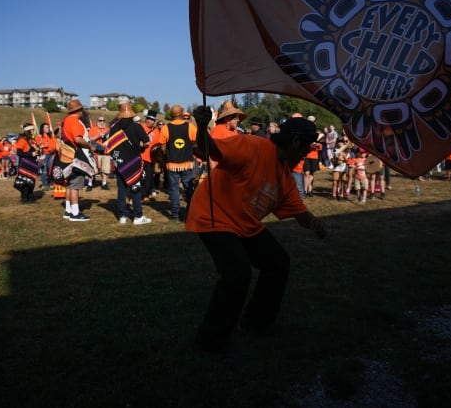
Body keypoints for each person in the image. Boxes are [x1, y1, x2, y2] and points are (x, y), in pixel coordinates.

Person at [187, 108, 328, 352]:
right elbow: (209, 149)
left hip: (245, 223)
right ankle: (210, 342)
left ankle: (257, 323)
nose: (308, 151)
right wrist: (201, 126)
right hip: (214, 215)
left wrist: (314, 222)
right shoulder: (254, 146)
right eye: (306, 146)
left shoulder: (284, 176)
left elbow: (298, 212)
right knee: (237, 274)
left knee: (278, 262)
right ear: (295, 141)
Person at [108, 103, 152, 225]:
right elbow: (147, 142)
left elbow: (109, 143)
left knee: (121, 189)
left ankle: (122, 216)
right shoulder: (136, 126)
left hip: (120, 162)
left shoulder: (114, 128)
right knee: (135, 189)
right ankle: (138, 216)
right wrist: (139, 146)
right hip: (133, 162)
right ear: (131, 113)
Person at [60, 99, 99, 221]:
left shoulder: (66, 120)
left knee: (70, 185)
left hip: (67, 156)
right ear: (79, 110)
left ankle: (68, 210)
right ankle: (75, 213)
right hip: (76, 156)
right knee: (76, 185)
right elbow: (78, 139)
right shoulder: (75, 122)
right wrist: (90, 146)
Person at [160, 104, 198, 221]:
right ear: (182, 114)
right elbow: (195, 144)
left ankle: (175, 214)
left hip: (172, 163)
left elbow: (162, 148)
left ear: (172, 115)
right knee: (188, 188)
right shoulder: (190, 127)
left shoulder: (165, 128)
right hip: (187, 162)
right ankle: (190, 212)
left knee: (174, 189)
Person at [14, 123, 39, 203]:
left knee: (32, 181)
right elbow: (19, 152)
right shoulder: (22, 140)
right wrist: (30, 154)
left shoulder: (32, 140)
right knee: (25, 181)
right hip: (25, 163)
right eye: (32, 130)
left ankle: (30, 196)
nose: (33, 131)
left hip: (33, 162)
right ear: (28, 131)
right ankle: (24, 198)